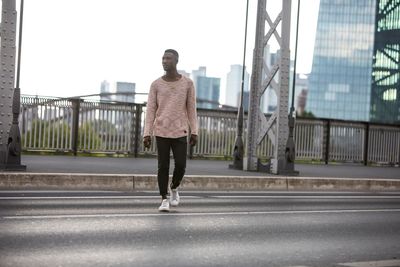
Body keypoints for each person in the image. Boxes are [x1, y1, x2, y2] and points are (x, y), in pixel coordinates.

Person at [143, 49, 198, 212]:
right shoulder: (156, 85)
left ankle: (174, 187)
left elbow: (191, 109)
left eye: (168, 58)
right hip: (161, 130)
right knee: (163, 166)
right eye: (163, 58)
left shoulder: (188, 83)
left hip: (180, 130)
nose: (164, 61)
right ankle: (164, 198)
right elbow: (151, 110)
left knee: (181, 165)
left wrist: (194, 131)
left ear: (176, 61)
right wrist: (147, 133)